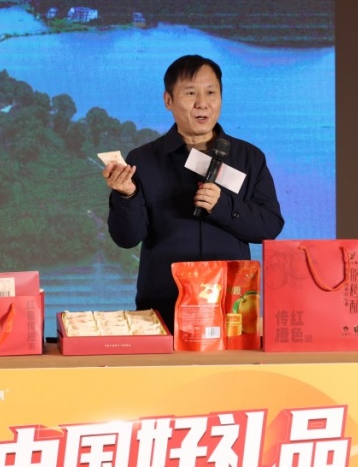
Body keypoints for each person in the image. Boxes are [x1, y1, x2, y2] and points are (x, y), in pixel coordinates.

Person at [102, 54, 284, 331]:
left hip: (230, 307)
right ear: (168, 100)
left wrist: (223, 205)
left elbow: (269, 227)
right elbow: (126, 239)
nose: (202, 103)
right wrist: (126, 196)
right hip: (164, 305)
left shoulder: (248, 157)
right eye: (190, 93)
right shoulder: (144, 159)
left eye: (211, 92)